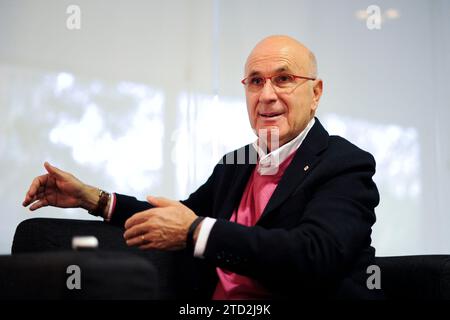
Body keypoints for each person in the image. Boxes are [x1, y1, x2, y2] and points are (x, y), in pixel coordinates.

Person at [22, 35, 382, 299]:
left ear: (316, 92)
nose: (267, 95)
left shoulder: (344, 164)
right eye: (255, 81)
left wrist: (196, 232)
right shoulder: (237, 164)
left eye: (284, 79)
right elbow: (178, 217)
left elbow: (313, 253)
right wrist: (95, 199)